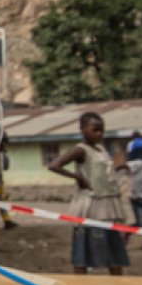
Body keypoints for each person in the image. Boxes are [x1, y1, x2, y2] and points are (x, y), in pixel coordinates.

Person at [47, 112, 128, 275]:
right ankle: (81, 282)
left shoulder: (100, 149)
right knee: (84, 247)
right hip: (91, 205)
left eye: (102, 131)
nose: (99, 134)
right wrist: (77, 177)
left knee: (114, 246)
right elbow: (54, 165)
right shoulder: (80, 150)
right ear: (82, 129)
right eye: (95, 130)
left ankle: (119, 283)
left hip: (108, 203)